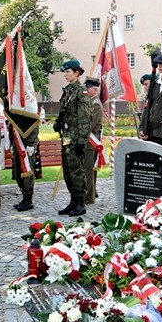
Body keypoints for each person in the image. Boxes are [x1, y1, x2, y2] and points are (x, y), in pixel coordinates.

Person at [54, 59, 93, 217]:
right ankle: (72, 201)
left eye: (68, 71)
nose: (65, 74)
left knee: (77, 171)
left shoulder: (81, 91)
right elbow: (65, 111)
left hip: (76, 138)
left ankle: (80, 203)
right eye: (64, 71)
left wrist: (81, 142)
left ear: (77, 72)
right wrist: (58, 122)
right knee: (69, 172)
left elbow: (85, 118)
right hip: (67, 137)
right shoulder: (68, 90)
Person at [83, 77, 104, 205]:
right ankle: (92, 193)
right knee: (88, 170)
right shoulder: (90, 101)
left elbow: (90, 124)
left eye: (88, 87)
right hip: (88, 141)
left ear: (95, 89)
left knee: (88, 171)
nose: (86, 89)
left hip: (91, 142)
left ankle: (88, 197)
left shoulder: (95, 104)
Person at [10, 122, 39, 212]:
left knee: (27, 173)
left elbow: (34, 125)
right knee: (18, 173)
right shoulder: (14, 109)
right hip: (17, 146)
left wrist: (31, 143)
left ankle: (28, 199)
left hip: (26, 146)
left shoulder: (29, 109)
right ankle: (24, 198)